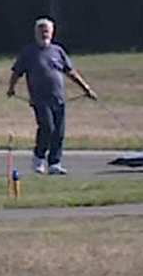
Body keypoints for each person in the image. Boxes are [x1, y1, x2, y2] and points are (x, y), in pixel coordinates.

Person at [8, 16, 96, 174]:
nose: (44, 34)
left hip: (59, 98)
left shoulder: (58, 51)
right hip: (40, 99)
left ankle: (54, 163)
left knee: (59, 132)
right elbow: (16, 72)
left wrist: (86, 89)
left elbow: (71, 72)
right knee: (47, 127)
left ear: (52, 33)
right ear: (36, 33)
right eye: (41, 31)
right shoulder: (29, 52)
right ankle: (38, 158)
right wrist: (11, 88)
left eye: (47, 31)